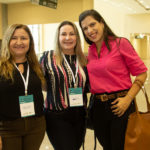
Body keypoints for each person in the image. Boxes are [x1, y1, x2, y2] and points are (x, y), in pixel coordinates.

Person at [79, 9, 147, 150]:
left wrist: (128, 99)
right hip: (97, 107)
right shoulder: (90, 51)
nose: (90, 30)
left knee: (121, 146)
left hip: (120, 104)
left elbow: (142, 73)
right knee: (107, 146)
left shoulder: (120, 43)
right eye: (85, 28)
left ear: (102, 23)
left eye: (92, 24)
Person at [40, 21, 88, 150]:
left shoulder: (83, 58)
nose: (68, 38)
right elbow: (42, 84)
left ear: (77, 37)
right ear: (58, 37)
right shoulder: (48, 57)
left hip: (80, 114)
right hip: (56, 115)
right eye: (64, 34)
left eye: (72, 34)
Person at [0, 24, 46, 150]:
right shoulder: (1, 66)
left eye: (24, 38)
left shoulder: (36, 66)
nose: (19, 42)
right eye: (14, 38)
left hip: (36, 125)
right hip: (7, 128)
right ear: (7, 41)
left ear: (30, 42)